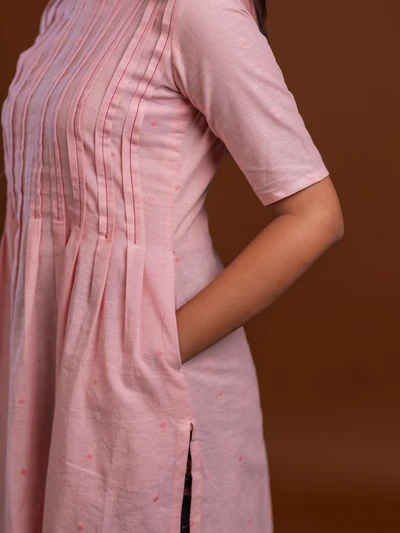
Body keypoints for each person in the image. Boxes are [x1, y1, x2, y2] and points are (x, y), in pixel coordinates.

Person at [0, 0, 344, 531]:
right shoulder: (69, 7)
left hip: (151, 392)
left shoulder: (199, 11)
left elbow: (316, 214)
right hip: (48, 371)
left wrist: (149, 352)